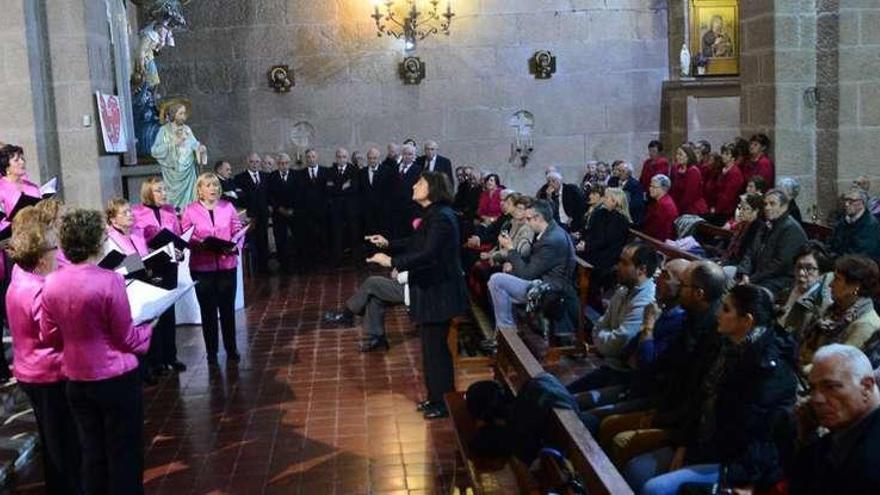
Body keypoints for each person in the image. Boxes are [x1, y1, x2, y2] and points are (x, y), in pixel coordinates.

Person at [627, 284, 797, 495]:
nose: (718, 312)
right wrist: (684, 444)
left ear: (747, 321)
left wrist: (699, 457)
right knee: (636, 468)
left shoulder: (770, 369)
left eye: (726, 309)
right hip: (703, 442)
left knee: (654, 488)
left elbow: (756, 438)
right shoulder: (724, 345)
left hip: (735, 463)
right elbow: (700, 399)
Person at [41, 209, 153, 494]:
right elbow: (127, 337)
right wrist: (149, 327)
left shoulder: (52, 282)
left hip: (77, 380)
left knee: (92, 455)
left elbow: (50, 336)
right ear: (97, 242)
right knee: (125, 454)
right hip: (115, 378)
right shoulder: (109, 280)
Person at [366, 171, 468, 419]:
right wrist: (388, 243)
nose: (414, 185)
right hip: (432, 290)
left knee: (436, 351)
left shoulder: (441, 217)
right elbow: (417, 243)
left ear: (432, 189)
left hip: (439, 291)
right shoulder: (433, 215)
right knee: (431, 349)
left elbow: (429, 254)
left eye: (420, 182)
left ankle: (443, 402)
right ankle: (436, 398)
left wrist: (391, 260)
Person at [7, 208, 82, 494]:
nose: (58, 251)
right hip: (48, 373)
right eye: (54, 246)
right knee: (63, 446)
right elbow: (55, 336)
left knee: (55, 442)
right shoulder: (38, 290)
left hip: (32, 369)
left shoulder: (21, 272)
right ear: (40, 257)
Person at [570, 243, 658, 395]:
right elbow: (600, 325)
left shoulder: (646, 301)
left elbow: (618, 345)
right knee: (562, 393)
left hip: (625, 377)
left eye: (624, 263)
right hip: (611, 367)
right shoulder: (623, 291)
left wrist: (602, 339)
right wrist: (604, 337)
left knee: (568, 403)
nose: (617, 267)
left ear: (641, 270)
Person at [791, 344, 880, 493]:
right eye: (813, 389)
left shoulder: (871, 460)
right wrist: (806, 438)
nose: (816, 399)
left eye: (830, 387)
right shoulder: (843, 431)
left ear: (866, 387)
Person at [181, 173, 244, 366]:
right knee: (208, 311)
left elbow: (238, 231)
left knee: (227, 309)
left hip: (227, 265)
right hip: (203, 266)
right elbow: (185, 236)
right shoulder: (190, 210)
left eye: (215, 185)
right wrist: (198, 244)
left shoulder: (228, 207)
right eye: (208, 185)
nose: (213, 189)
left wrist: (236, 245)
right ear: (199, 189)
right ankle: (211, 352)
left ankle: (231, 348)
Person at [487, 199, 576, 333]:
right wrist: (512, 263)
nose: (526, 222)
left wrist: (511, 249)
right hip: (545, 279)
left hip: (549, 289)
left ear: (538, 217)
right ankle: (504, 333)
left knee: (497, 281)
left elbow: (526, 274)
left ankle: (506, 333)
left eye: (529, 219)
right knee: (503, 277)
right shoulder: (551, 231)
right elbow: (533, 262)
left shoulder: (551, 240)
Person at [131, 178, 187, 373]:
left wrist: (179, 251)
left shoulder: (170, 212)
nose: (163, 193)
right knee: (154, 314)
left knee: (169, 314)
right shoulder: (136, 213)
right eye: (158, 190)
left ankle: (171, 356)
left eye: (164, 189)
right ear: (148, 193)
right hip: (151, 267)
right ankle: (156, 361)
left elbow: (178, 238)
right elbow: (136, 242)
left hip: (170, 266)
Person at [799, 255, 880, 367]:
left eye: (837, 279)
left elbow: (837, 365)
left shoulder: (865, 324)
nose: (830, 284)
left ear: (855, 287)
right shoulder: (835, 309)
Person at [736, 189, 807, 292]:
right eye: (765, 204)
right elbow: (750, 252)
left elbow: (779, 265)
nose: (767, 208)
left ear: (784, 207)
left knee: (749, 293)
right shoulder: (766, 225)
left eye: (772, 204)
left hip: (780, 279)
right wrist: (744, 272)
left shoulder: (790, 229)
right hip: (757, 274)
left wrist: (751, 279)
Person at [578, 187, 632, 303]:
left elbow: (606, 240)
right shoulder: (601, 213)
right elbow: (591, 231)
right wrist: (585, 241)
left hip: (608, 254)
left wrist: (587, 246)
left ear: (615, 201)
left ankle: (588, 298)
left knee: (583, 259)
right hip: (595, 248)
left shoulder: (620, 220)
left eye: (607, 198)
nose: (603, 200)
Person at [150, 102, 206, 210]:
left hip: (188, 171)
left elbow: (194, 144)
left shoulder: (187, 129)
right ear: (173, 114)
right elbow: (155, 151)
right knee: (173, 202)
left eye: (184, 113)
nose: (183, 117)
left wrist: (200, 148)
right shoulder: (164, 130)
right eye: (180, 113)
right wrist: (173, 144)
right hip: (173, 171)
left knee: (191, 199)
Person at [779, 241, 834, 339]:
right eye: (799, 267)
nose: (801, 273)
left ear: (821, 273)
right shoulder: (787, 289)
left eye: (809, 269)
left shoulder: (822, 304)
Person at [234, 153, 270, 274]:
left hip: (263, 214)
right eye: (252, 162)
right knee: (252, 241)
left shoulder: (265, 176)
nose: (255, 164)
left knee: (264, 240)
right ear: (247, 162)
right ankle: (254, 269)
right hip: (249, 216)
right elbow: (239, 198)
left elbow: (268, 195)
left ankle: (264, 267)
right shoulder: (239, 178)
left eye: (257, 162)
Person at [327, 147, 362, 267]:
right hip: (336, 209)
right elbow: (329, 188)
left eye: (344, 157)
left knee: (354, 234)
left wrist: (339, 187)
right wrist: (344, 186)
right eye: (339, 157)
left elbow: (354, 187)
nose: (341, 159)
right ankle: (337, 260)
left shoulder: (354, 170)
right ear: (336, 158)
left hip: (351, 208)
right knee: (337, 235)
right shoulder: (330, 171)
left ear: (347, 158)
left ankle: (356, 260)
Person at [293, 149, 329, 267]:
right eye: (308, 157)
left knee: (324, 237)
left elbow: (328, 191)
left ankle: (323, 262)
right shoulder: (299, 174)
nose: (311, 159)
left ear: (316, 157)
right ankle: (311, 263)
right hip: (307, 213)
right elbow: (298, 194)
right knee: (309, 238)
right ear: (305, 159)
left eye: (313, 156)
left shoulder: (325, 171)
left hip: (323, 212)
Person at [829, 188, 880, 260]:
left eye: (851, 201)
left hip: (860, 267)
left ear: (862, 203)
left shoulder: (870, 224)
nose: (846, 204)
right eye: (845, 200)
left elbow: (863, 255)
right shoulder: (843, 221)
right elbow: (832, 244)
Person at [268, 153, 297, 272]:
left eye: (286, 163)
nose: (284, 166)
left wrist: (293, 209)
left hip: (294, 212)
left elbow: (300, 193)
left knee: (297, 237)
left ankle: (296, 262)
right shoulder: (272, 177)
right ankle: (283, 264)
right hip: (279, 213)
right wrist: (279, 208)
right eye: (281, 164)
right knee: (280, 239)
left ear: (289, 163)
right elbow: (269, 195)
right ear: (277, 164)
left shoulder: (296, 175)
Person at [389, 143, 423, 238]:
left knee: (409, 235)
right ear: (401, 155)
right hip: (396, 209)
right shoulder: (394, 169)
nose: (407, 156)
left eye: (410, 154)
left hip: (411, 208)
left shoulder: (418, 170)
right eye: (405, 154)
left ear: (414, 156)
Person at [706, 144, 745, 224]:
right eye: (723, 153)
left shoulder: (735, 173)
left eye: (727, 154)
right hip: (717, 208)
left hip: (726, 211)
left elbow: (727, 196)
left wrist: (716, 209)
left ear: (733, 157)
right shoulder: (722, 170)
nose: (723, 156)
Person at [360, 147, 392, 239]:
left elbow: (390, 191)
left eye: (374, 158)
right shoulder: (362, 172)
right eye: (370, 158)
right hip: (367, 211)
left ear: (379, 158)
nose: (372, 160)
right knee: (369, 234)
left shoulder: (387, 170)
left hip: (383, 211)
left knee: (383, 234)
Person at [669, 144, 708, 215]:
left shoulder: (693, 171)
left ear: (688, 156)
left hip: (692, 209)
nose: (677, 157)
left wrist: (678, 210)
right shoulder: (677, 168)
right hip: (678, 207)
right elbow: (673, 190)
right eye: (677, 154)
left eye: (680, 154)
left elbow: (689, 196)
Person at [643, 174, 679, 241]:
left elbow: (654, 230)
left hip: (658, 243)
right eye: (650, 186)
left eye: (654, 187)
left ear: (664, 189)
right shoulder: (663, 200)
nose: (650, 189)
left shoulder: (663, 205)